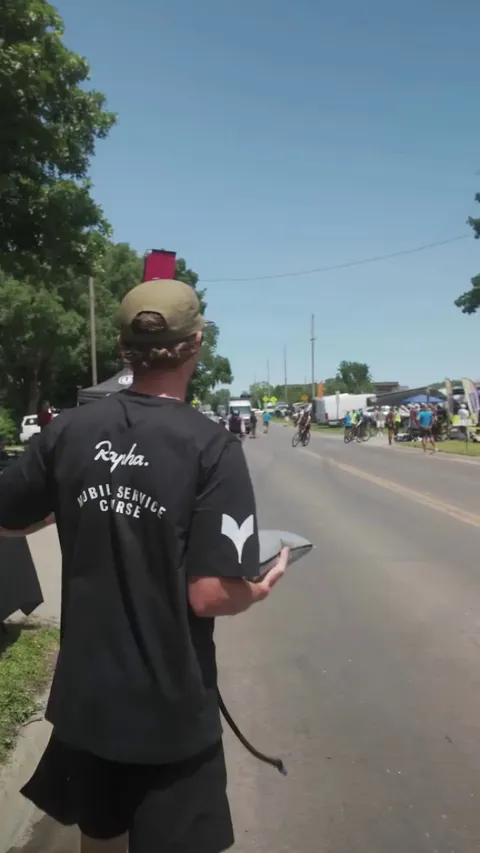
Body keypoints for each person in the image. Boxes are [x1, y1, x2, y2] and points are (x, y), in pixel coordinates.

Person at [0, 278, 288, 853]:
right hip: (168, 710)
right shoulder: (211, 447)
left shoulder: (69, 432)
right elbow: (210, 594)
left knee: (99, 838)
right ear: (196, 343)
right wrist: (258, 587)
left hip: (88, 700)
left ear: (124, 348)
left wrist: (76, 502)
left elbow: (9, 519)